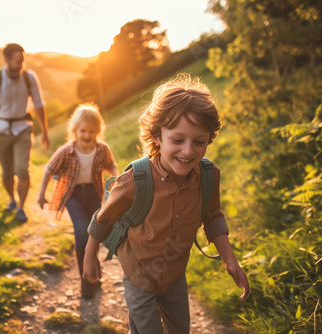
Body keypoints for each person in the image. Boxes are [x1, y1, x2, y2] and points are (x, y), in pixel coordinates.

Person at [83, 74, 250, 333]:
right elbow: (104, 218)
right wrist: (89, 254)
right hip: (138, 274)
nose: (188, 151)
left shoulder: (208, 176)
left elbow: (213, 217)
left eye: (199, 142)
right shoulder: (134, 182)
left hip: (174, 276)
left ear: (209, 139)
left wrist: (229, 259)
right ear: (157, 135)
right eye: (177, 140)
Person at [38, 103, 118, 298]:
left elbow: (111, 166)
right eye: (83, 131)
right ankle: (86, 283)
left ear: (98, 131)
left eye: (91, 131)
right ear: (75, 130)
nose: (87, 135)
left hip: (93, 193)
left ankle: (93, 271)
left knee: (95, 233)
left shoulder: (102, 149)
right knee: (82, 228)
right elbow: (49, 169)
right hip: (72, 195)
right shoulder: (67, 151)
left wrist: (117, 182)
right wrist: (41, 194)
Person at [0, 43, 50, 222]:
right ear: (6, 60)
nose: (21, 65)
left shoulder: (30, 78)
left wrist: (45, 130)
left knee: (23, 169)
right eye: (17, 62)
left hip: (23, 128)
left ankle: (21, 207)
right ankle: (12, 200)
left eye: (23, 61)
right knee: (7, 173)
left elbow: (39, 104)